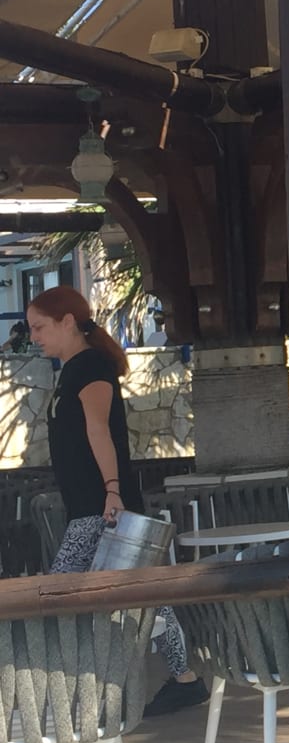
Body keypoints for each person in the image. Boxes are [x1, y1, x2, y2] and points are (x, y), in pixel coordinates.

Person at [27, 285, 209, 716]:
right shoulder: (72, 370)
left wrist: (112, 490)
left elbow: (99, 431)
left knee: (58, 594)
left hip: (101, 507)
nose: (34, 336)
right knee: (145, 593)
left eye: (39, 327)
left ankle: (56, 693)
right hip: (93, 504)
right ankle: (184, 678)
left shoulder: (90, 367)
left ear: (68, 322)